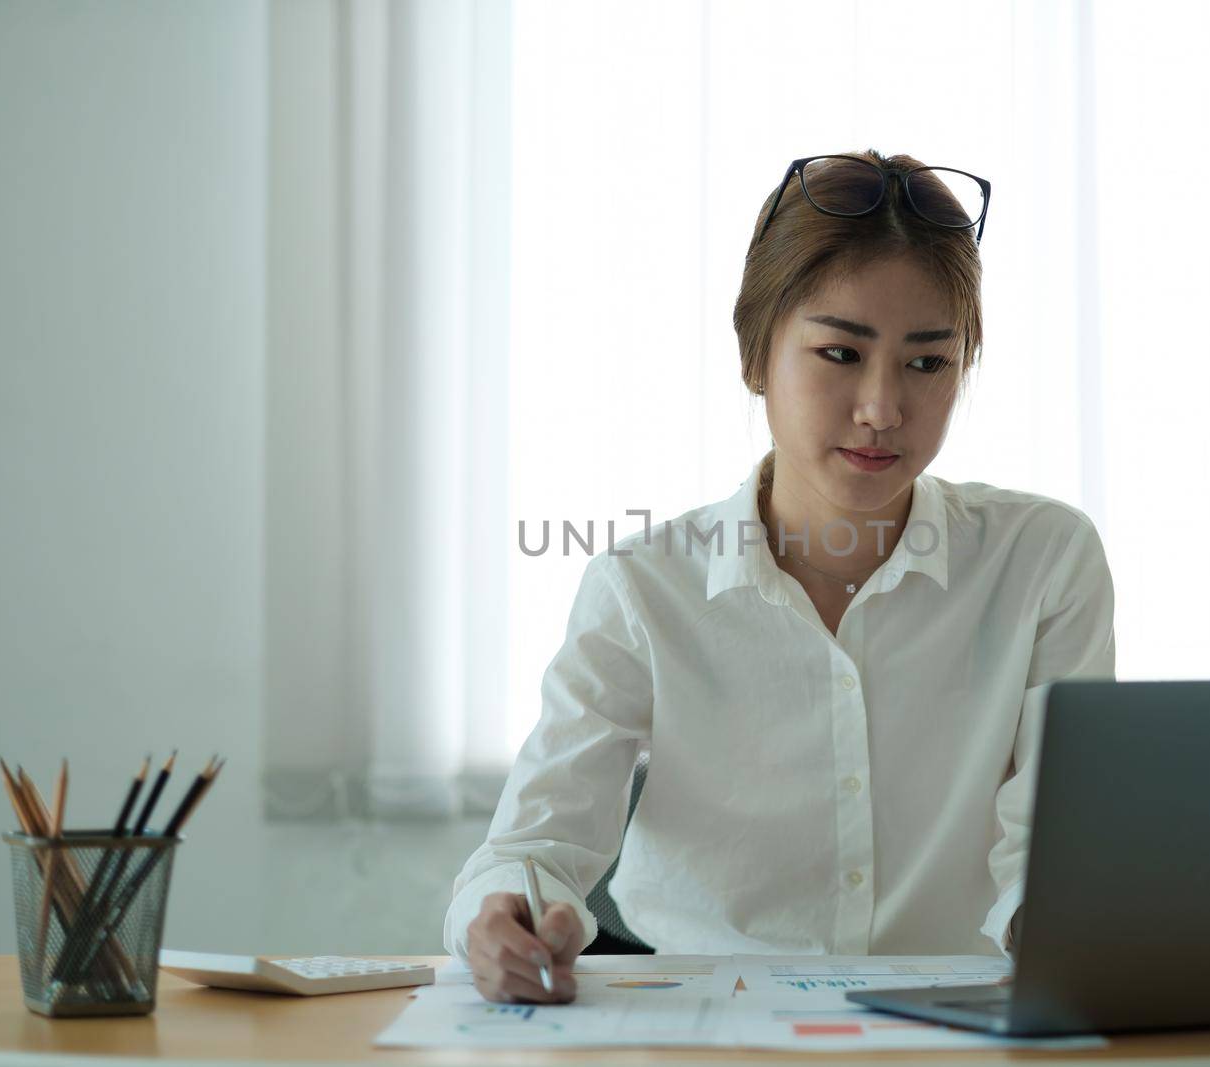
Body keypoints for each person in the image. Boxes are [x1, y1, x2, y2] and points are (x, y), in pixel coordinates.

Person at [444, 150, 1116, 1005]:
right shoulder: (642, 589)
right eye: (841, 352)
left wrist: (1084, 930)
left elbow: (1054, 858)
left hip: (952, 1024)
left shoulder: (1045, 560)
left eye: (927, 362)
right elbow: (531, 849)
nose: (882, 408)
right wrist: (506, 914)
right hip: (697, 1020)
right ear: (757, 355)